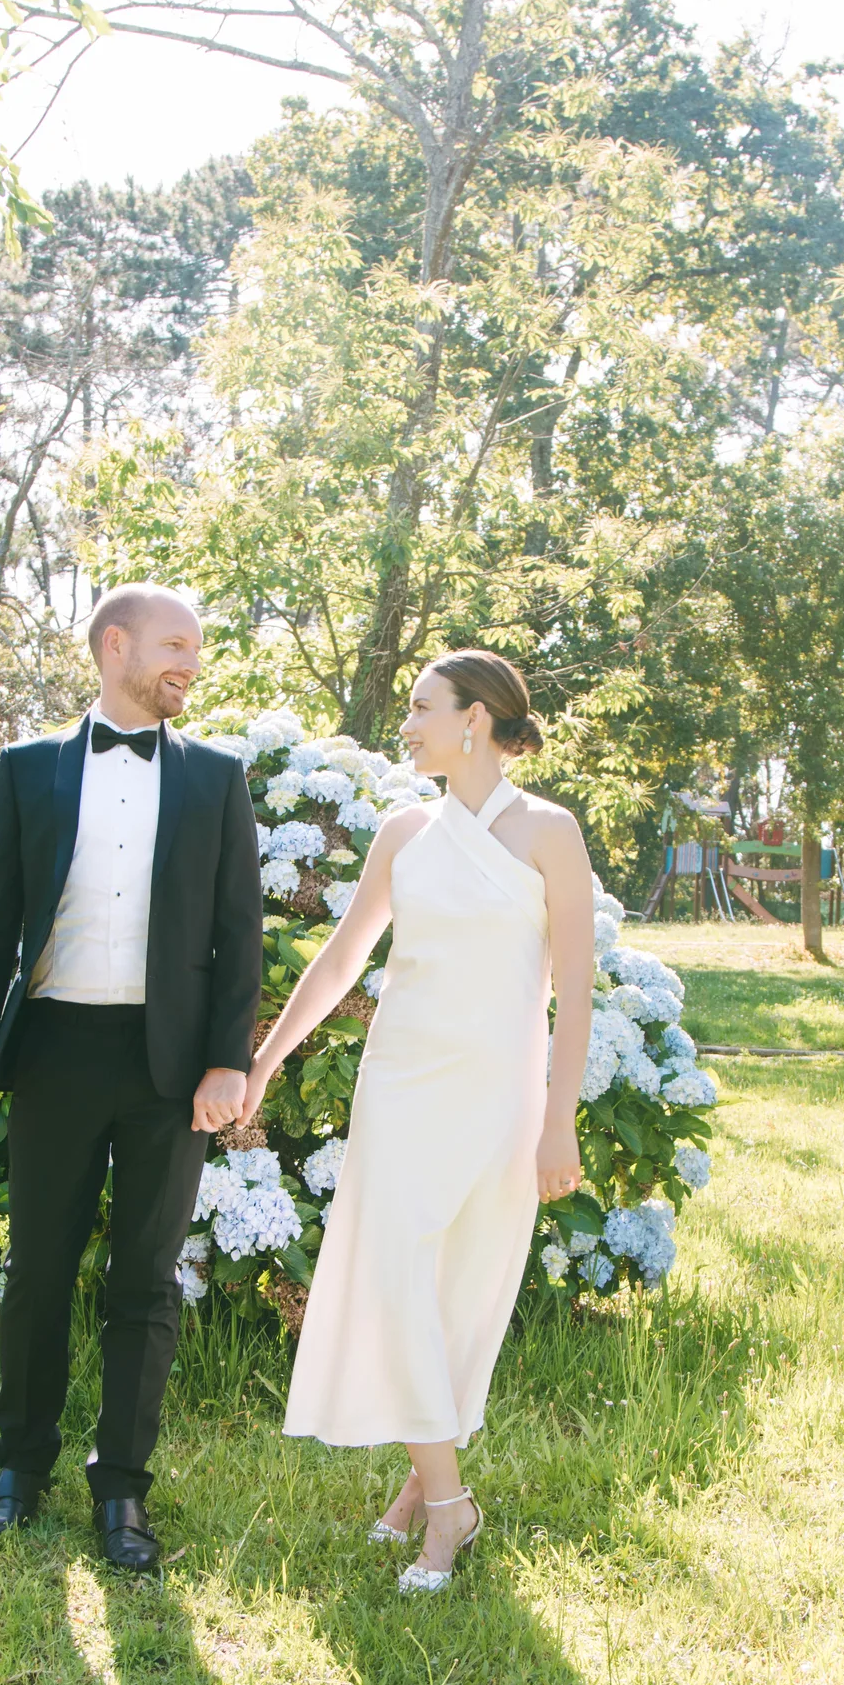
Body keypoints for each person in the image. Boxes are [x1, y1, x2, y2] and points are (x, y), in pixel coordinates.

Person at [238, 651, 594, 1594]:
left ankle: (416, 1488)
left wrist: (559, 1124)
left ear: (475, 719)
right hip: (400, 1087)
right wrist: (266, 1058)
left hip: (499, 1097)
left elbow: (578, 995)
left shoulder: (551, 834)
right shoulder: (404, 831)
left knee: (459, 1296)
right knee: (397, 1282)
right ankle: (450, 1510)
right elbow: (344, 957)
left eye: (421, 708)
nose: (407, 724)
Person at [0, 584, 263, 1572]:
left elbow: (237, 935)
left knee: (145, 1281)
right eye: (174, 645)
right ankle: (18, 1470)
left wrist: (226, 1060)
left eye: (196, 649)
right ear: (113, 645)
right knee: (35, 1270)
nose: (189, 664)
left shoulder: (215, 779)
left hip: (169, 1066)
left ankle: (121, 1489)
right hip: (58, 1051)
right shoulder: (28, 772)